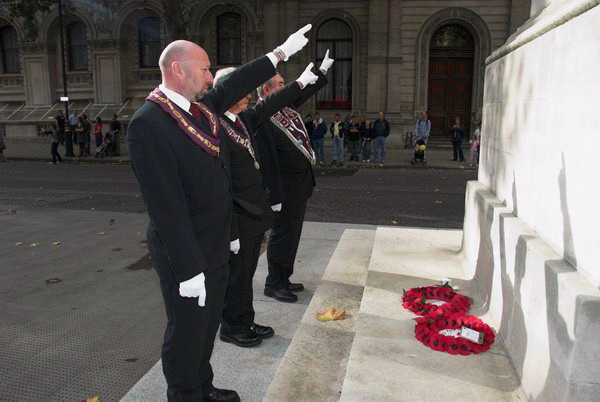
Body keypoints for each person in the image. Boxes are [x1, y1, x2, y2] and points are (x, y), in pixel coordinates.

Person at [127, 25, 312, 402]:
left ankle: (202, 386)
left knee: (208, 325)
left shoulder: (198, 110)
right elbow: (166, 207)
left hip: (215, 242)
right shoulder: (149, 122)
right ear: (179, 69)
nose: (211, 78)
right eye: (205, 68)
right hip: (187, 252)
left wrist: (278, 55)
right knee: (187, 331)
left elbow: (235, 86)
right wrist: (189, 269)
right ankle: (185, 394)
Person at [213, 63, 318, 349]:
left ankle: (244, 319)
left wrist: (301, 83)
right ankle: (232, 326)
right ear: (225, 91)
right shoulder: (215, 124)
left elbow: (270, 103)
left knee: (246, 273)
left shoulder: (241, 118)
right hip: (236, 213)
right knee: (236, 275)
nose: (248, 94)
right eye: (241, 88)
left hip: (253, 211)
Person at [256, 50, 333, 303]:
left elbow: (303, 92)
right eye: (281, 85)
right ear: (267, 91)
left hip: (299, 185)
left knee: (293, 234)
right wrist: (274, 193)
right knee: (282, 235)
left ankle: (284, 276)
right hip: (283, 188)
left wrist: (320, 73)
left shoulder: (284, 109)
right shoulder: (263, 115)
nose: (286, 88)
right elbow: (267, 161)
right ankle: (273, 283)